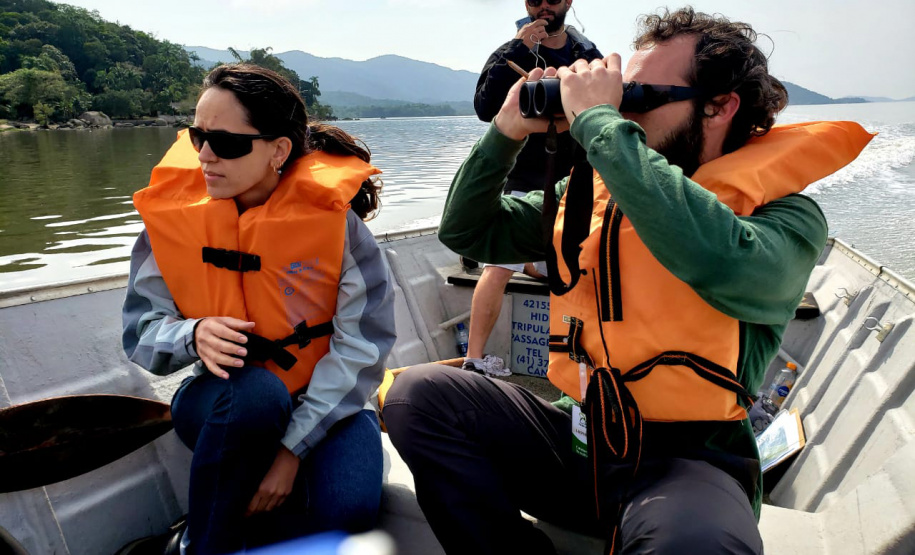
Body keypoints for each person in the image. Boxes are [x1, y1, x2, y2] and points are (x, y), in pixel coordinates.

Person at [383, 7, 871, 554]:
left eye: (638, 96)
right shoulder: (591, 194)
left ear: (719, 106)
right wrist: (505, 133)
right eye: (619, 94)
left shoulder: (786, 216)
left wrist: (596, 120)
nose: (621, 110)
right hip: (579, 443)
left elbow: (721, 259)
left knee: (699, 544)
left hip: (686, 464)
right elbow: (469, 232)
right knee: (418, 396)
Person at [122, 64, 396, 554]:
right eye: (197, 136)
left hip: (328, 402)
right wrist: (192, 334)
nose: (205, 155)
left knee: (348, 510)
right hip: (225, 403)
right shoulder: (170, 223)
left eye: (226, 143)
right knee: (258, 394)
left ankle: (220, 528)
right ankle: (199, 546)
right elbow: (140, 335)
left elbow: (362, 348)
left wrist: (290, 454)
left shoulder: (339, 228)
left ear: (279, 150)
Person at [463, 0, 602, 376]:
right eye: (533, 0)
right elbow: (484, 108)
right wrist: (518, 47)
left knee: (580, 266)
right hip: (523, 179)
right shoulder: (510, 52)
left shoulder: (587, 55)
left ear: (568, 1)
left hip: (574, 182)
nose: (542, 6)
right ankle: (474, 359)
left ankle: (588, 366)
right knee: (498, 268)